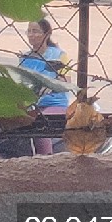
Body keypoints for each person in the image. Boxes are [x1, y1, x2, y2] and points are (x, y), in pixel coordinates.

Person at [19, 19, 73, 155]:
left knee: (41, 123)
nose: (31, 35)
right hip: (31, 105)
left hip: (54, 103)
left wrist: (51, 85)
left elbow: (66, 81)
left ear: (46, 34)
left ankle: (45, 158)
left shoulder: (59, 55)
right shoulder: (24, 58)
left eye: (35, 31)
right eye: (29, 31)